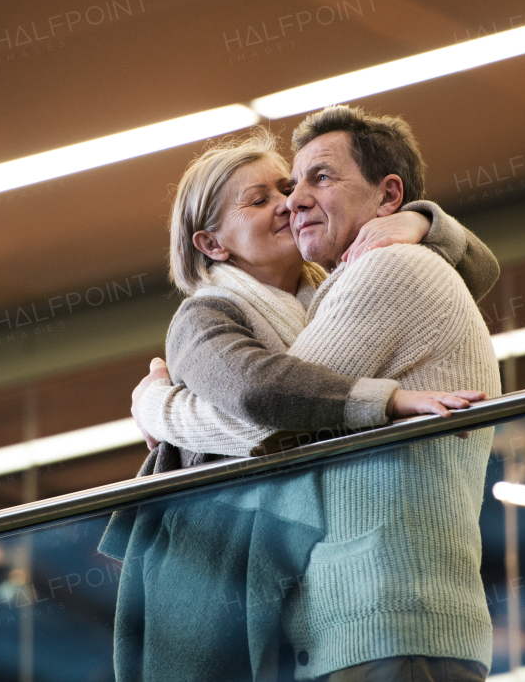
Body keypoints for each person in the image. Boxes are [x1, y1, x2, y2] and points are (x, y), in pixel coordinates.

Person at [133, 107, 500, 682]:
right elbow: (271, 396)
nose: (291, 201)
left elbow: (279, 419)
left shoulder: (379, 273)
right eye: (263, 199)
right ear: (213, 243)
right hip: (359, 623)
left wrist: (160, 408)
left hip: (387, 623)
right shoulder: (209, 313)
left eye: (311, 181)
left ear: (387, 196)